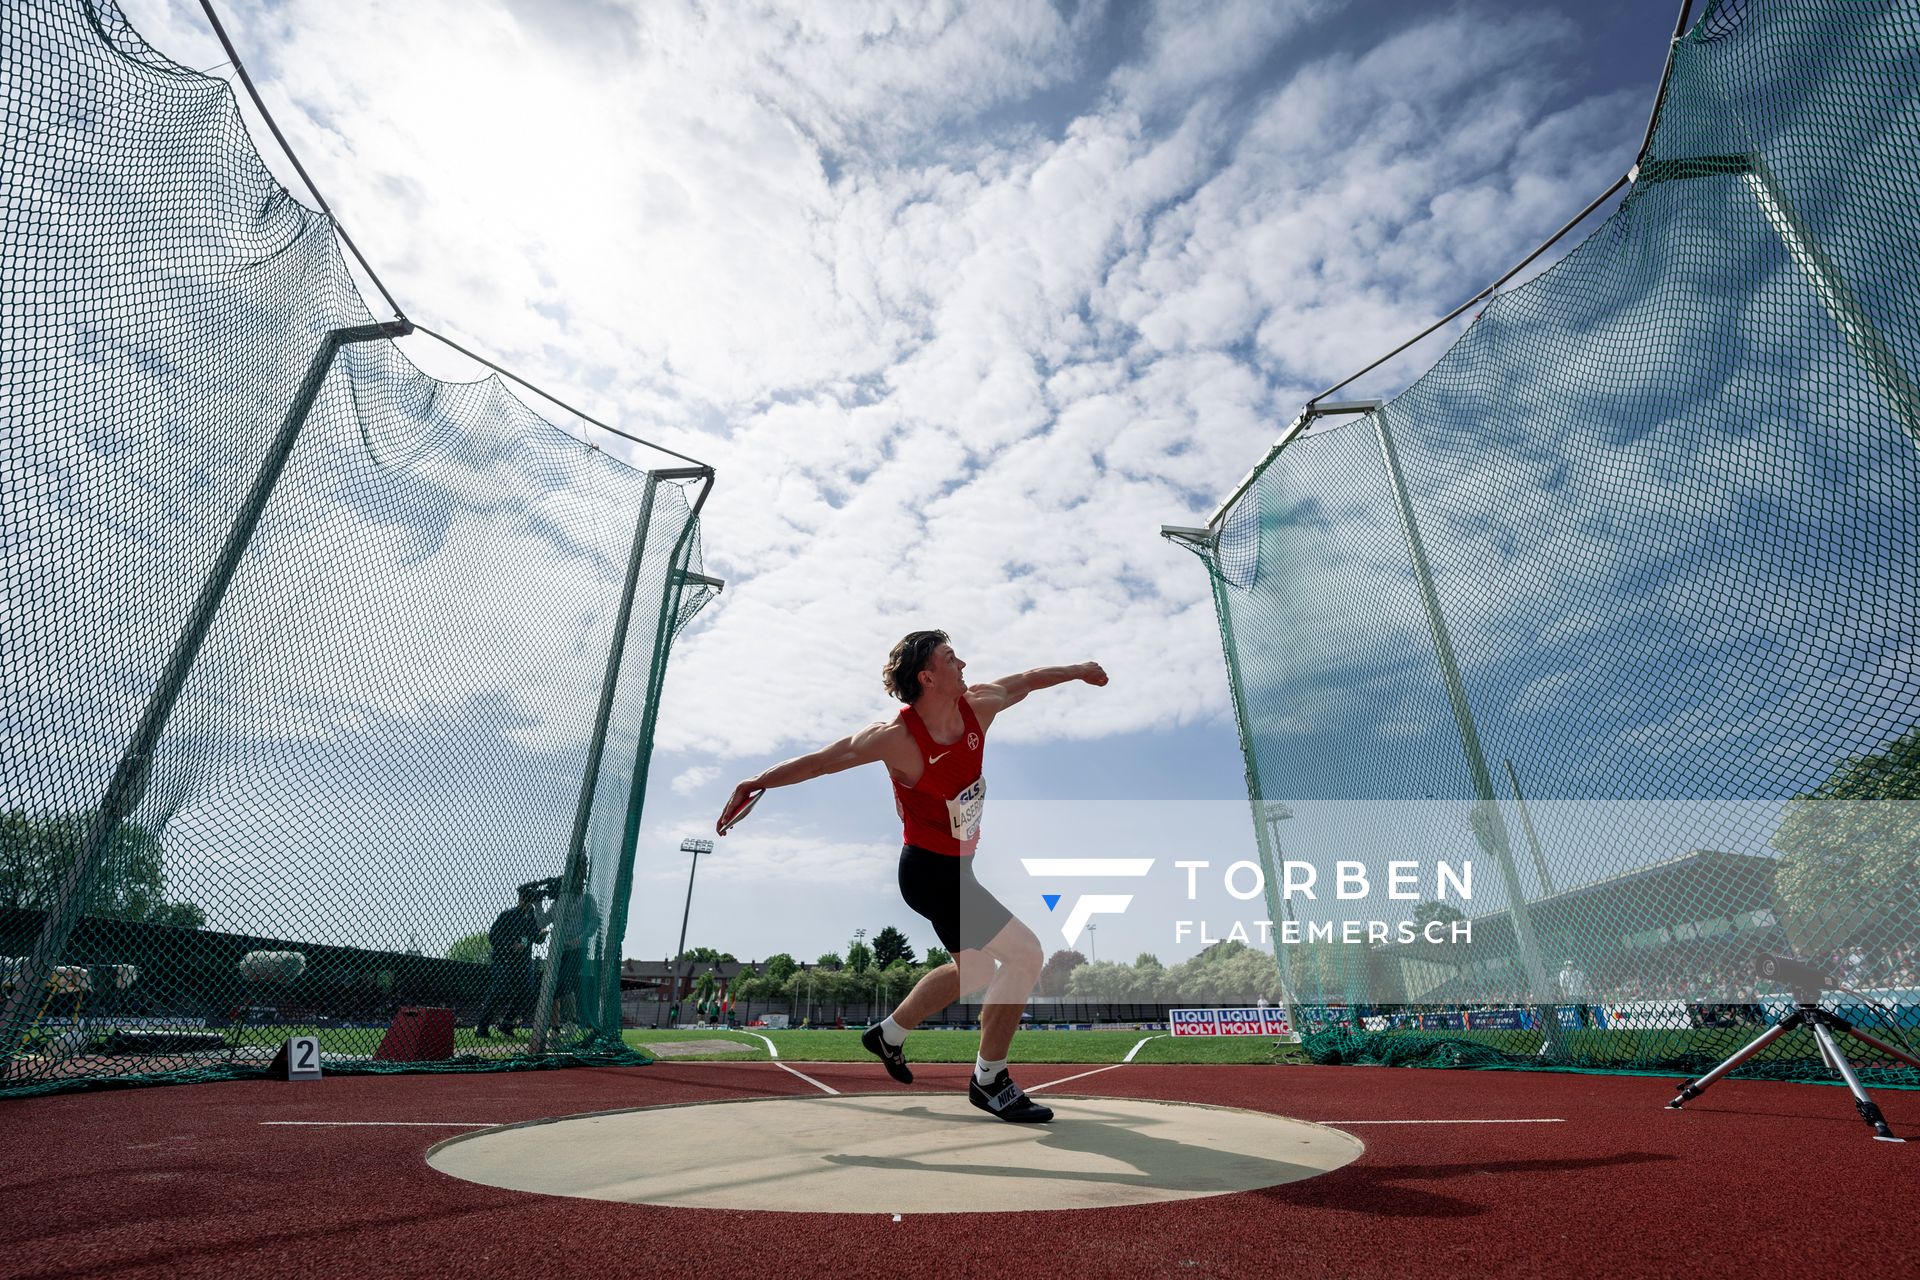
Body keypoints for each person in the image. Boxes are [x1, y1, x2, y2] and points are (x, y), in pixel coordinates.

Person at [717, 630, 1107, 1124]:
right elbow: (823, 760)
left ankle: (889, 1035)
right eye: (950, 658)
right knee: (1026, 953)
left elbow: (1028, 680)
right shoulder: (895, 738)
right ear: (927, 677)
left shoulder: (978, 706)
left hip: (958, 869)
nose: (963, 662)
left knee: (979, 971)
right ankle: (990, 1080)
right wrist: (757, 782)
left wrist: (1079, 670)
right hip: (927, 871)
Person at [475, 886, 546, 1037]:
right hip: (504, 960)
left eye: (527, 899)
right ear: (520, 899)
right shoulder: (508, 915)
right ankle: (482, 1027)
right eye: (523, 898)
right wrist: (510, 945)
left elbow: (536, 939)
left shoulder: (532, 918)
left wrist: (542, 935)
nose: (524, 902)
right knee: (499, 990)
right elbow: (493, 936)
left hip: (523, 962)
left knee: (527, 991)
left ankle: (506, 1024)